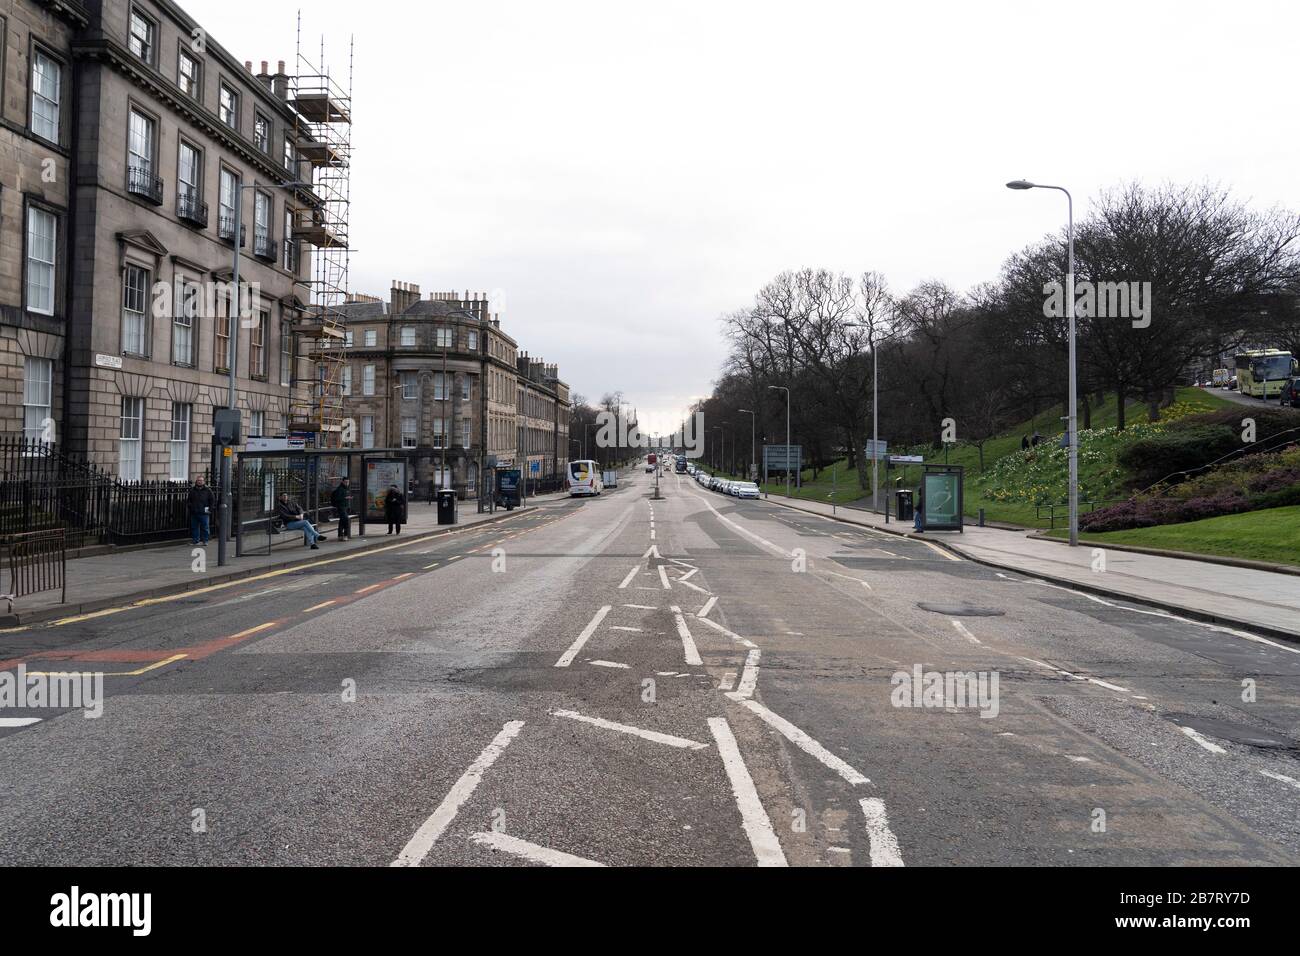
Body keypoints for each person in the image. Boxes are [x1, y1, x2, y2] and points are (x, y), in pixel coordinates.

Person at [187, 476, 215, 545]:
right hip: (194, 512)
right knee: (194, 527)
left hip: (204, 512)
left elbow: (212, 500)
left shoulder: (208, 490)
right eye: (198, 480)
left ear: (204, 482)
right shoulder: (193, 490)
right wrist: (191, 507)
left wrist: (210, 509)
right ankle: (195, 540)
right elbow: (189, 500)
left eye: (201, 480)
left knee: (205, 527)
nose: (199, 481)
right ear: (196, 481)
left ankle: (205, 541)